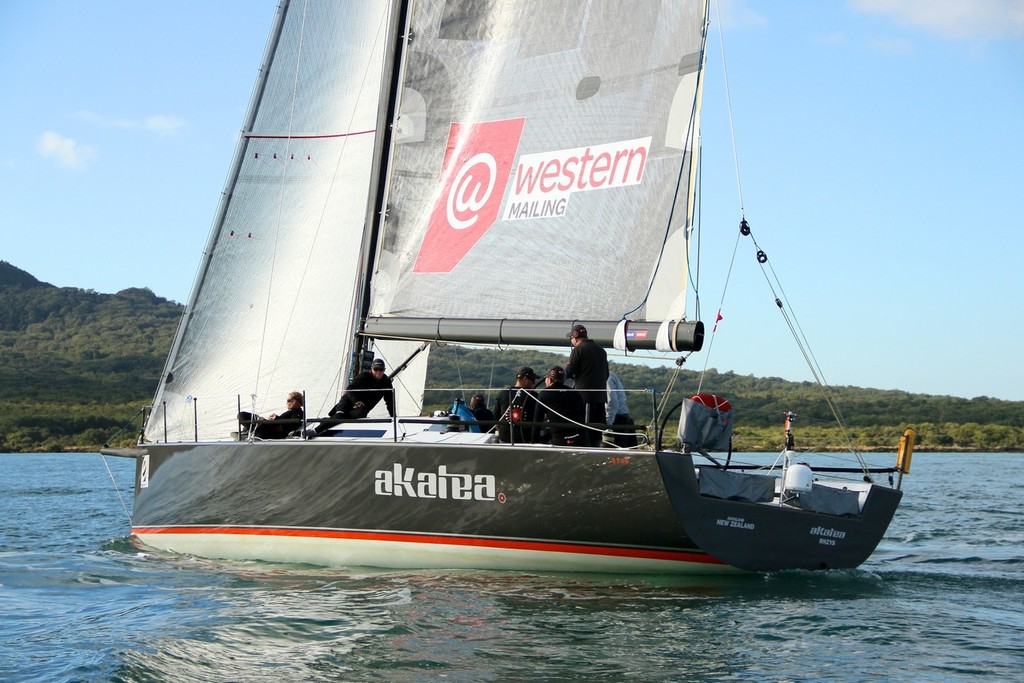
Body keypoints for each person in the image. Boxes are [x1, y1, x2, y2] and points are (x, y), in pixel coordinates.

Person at [565, 324, 608, 446]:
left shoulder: (578, 350)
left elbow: (568, 372)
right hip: (600, 398)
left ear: (575, 337)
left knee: (584, 429)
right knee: (597, 432)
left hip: (584, 398)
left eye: (571, 339)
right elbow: (607, 374)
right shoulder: (602, 351)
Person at [326, 358, 395, 422]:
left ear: (384, 370)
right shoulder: (364, 376)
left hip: (361, 409)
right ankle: (316, 430)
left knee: (359, 415)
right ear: (371, 369)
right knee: (340, 416)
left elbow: (390, 401)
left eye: (381, 369)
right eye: (376, 369)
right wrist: (357, 401)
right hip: (348, 401)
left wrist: (393, 416)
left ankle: (327, 421)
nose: (378, 372)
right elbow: (350, 389)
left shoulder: (386, 382)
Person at [535, 365, 586, 446]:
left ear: (549, 380)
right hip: (579, 436)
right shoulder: (575, 393)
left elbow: (537, 418)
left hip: (559, 437)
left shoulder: (544, 394)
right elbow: (582, 414)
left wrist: (534, 440)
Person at [493, 366, 539, 443]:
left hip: (504, 438)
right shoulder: (533, 396)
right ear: (525, 379)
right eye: (533, 380)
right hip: (525, 439)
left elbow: (496, 416)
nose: (534, 383)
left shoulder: (503, 393)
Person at [237, 391, 304, 440]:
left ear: (294, 401)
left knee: (243, 415)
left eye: (288, 400)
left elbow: (290, 425)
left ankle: (249, 431)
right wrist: (273, 419)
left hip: (273, 431)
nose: (286, 403)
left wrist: (276, 419)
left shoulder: (298, 413)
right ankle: (249, 431)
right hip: (270, 426)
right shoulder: (293, 412)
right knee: (242, 415)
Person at [605, 371, 638, 447]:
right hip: (620, 418)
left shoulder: (607, 378)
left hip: (617, 419)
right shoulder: (610, 376)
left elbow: (612, 402)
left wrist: (608, 425)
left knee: (618, 455)